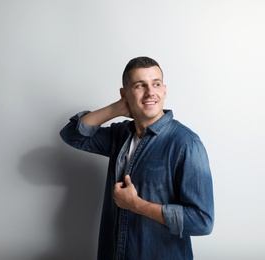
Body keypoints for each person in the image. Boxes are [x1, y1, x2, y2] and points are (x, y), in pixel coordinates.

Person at [60, 56, 214, 259]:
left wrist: (136, 205)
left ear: (164, 90)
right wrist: (117, 109)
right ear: (124, 94)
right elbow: (72, 134)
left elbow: (202, 221)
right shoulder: (120, 135)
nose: (151, 92)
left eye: (156, 84)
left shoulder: (186, 144)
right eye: (140, 86)